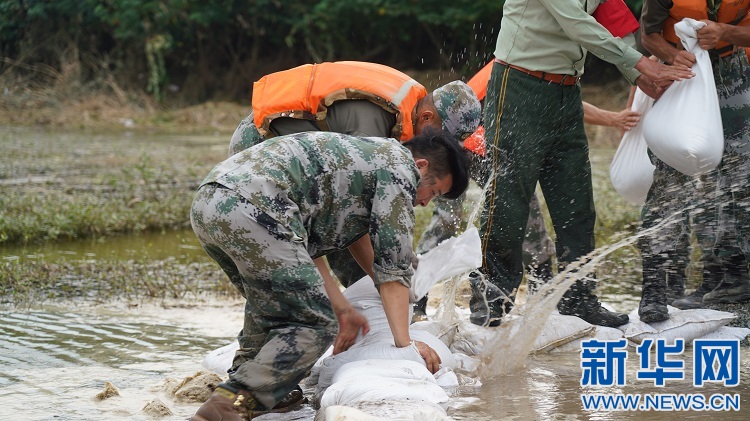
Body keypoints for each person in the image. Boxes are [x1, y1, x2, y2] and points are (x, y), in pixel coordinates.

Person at [189, 130, 470, 420]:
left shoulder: (370, 158)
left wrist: (344, 307)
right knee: (317, 324)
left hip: (211, 201)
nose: (424, 202)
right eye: (433, 192)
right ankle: (232, 403)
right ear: (421, 165)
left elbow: (354, 246)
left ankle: (246, 382)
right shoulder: (400, 170)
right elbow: (392, 270)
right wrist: (407, 345)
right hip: (256, 206)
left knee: (271, 309)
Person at [470, 0, 694, 328]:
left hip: (567, 93)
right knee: (508, 202)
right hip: (519, 87)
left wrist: (637, 75)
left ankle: (580, 299)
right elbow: (577, 23)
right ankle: (491, 300)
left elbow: (614, 22)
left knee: (577, 206)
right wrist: (645, 66)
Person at [412, 60, 642, 320]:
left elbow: (559, 105)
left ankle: (538, 297)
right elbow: (560, 105)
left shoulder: (538, 61)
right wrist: (612, 118)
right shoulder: (520, 65)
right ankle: (421, 298)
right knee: (461, 219)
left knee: (506, 215)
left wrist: (611, 119)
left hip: (478, 146)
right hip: (461, 149)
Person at [227, 61, 481, 289]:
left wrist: (399, 256)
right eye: (440, 140)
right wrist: (393, 280)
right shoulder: (376, 123)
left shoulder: (409, 105)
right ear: (427, 117)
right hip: (259, 145)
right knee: (310, 254)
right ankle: (369, 314)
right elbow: (351, 209)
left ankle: (368, 312)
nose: (440, 150)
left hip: (288, 147)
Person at [636, 0, 750, 322]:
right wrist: (672, 56)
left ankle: (733, 280)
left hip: (733, 72)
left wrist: (726, 32)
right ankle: (655, 287)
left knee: (739, 179)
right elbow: (648, 34)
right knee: (670, 178)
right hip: (682, 71)